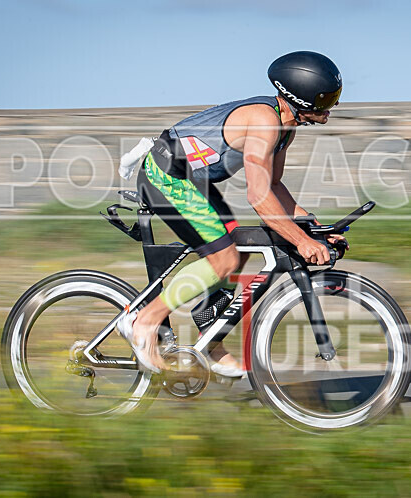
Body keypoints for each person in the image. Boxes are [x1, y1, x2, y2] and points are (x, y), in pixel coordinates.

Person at [118, 51, 345, 377]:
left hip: (191, 181)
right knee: (224, 259)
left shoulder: (285, 129)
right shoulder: (265, 122)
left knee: (239, 248)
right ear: (301, 96)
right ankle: (144, 322)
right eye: (327, 99)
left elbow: (274, 186)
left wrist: (315, 230)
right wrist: (300, 241)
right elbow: (258, 196)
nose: (333, 105)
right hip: (166, 175)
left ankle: (209, 340)